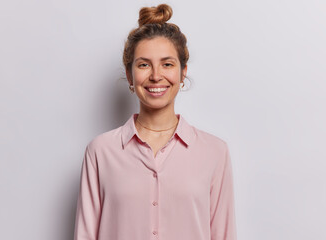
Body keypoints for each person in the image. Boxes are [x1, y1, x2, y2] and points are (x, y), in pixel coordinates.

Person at [74, 3, 237, 240]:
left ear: (183, 73)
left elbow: (224, 234)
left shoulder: (215, 152)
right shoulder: (100, 152)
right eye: (143, 64)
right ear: (130, 75)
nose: (156, 75)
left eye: (167, 64)